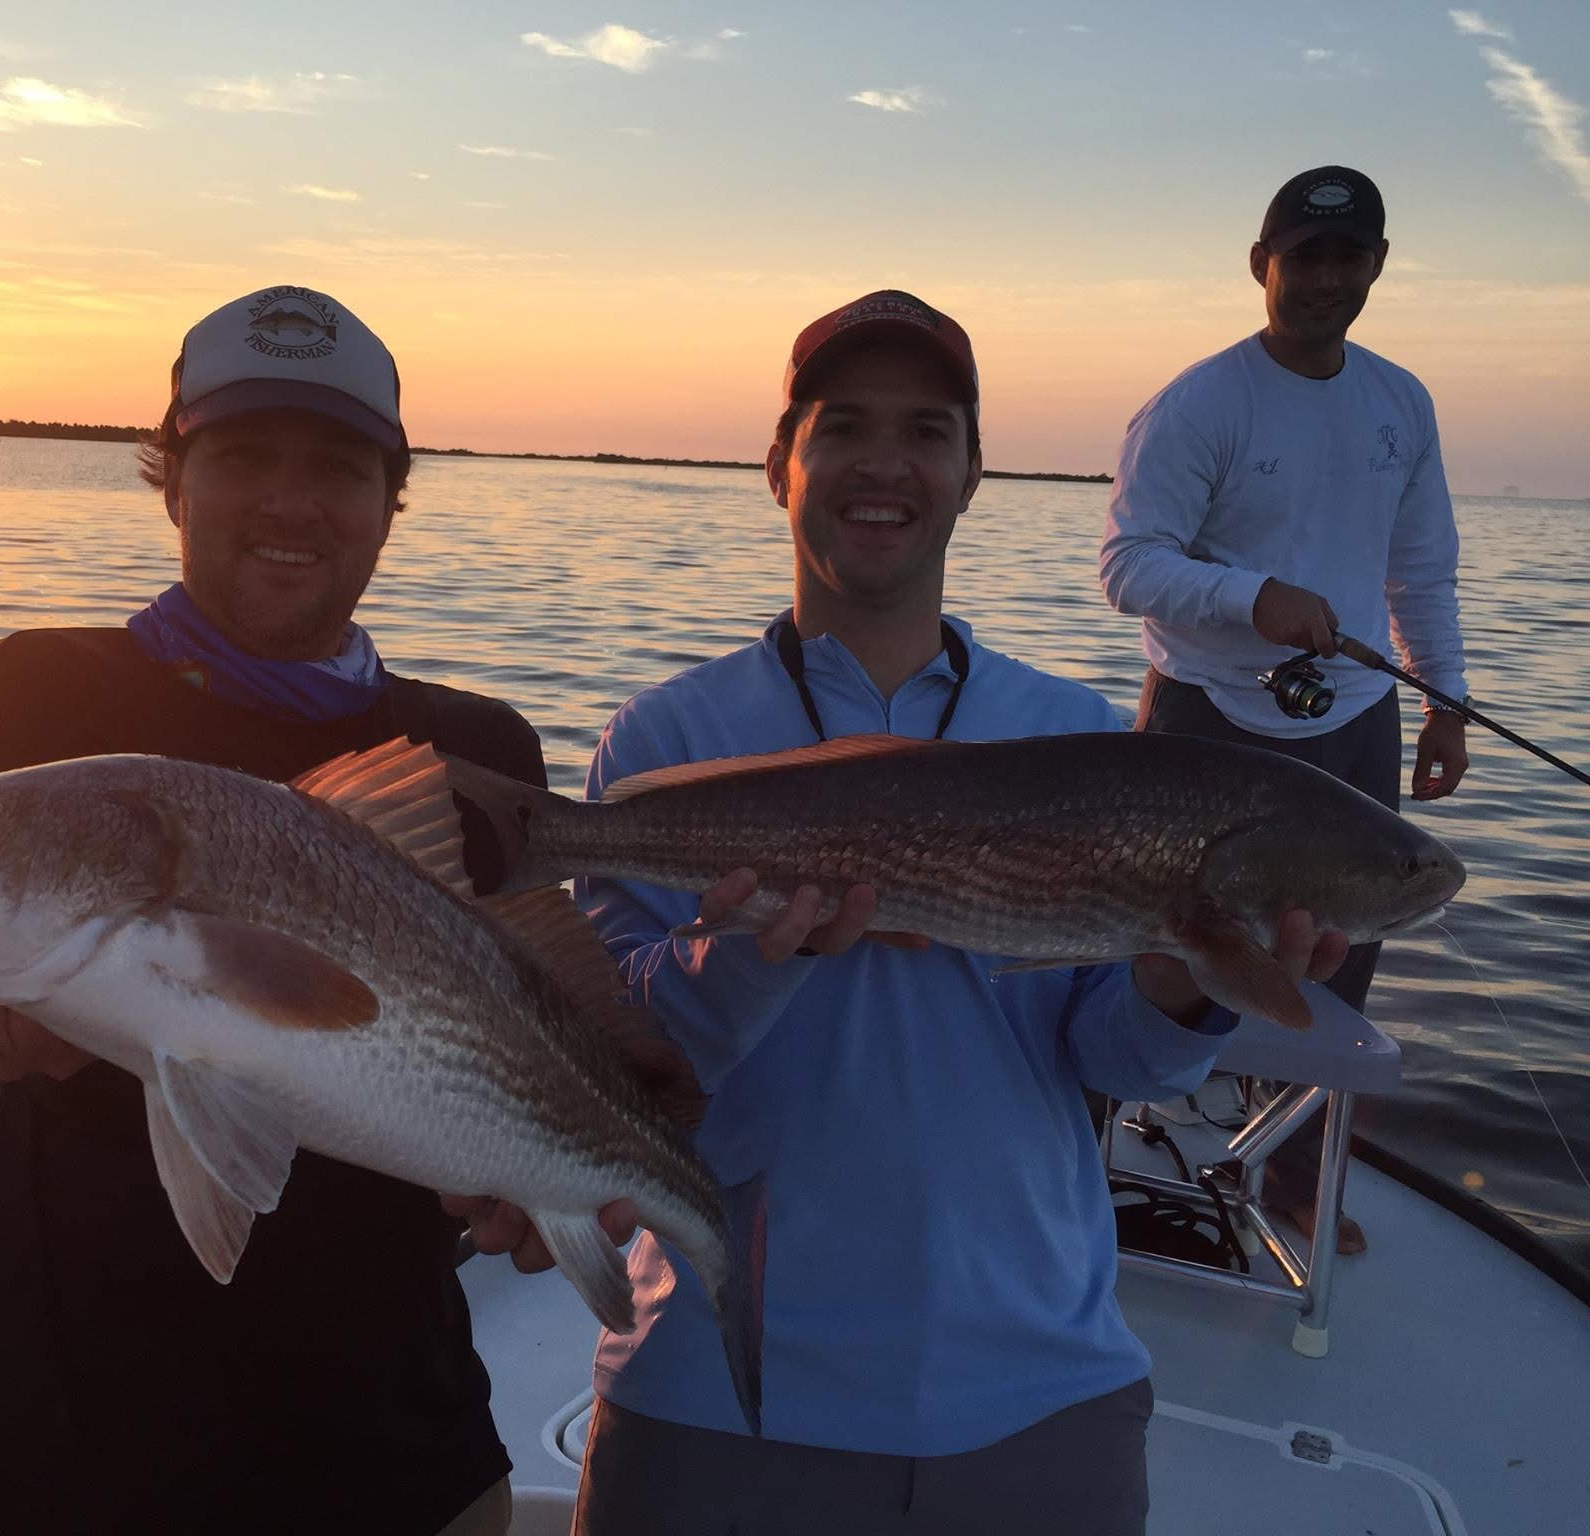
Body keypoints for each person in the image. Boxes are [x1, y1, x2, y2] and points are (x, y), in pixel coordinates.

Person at [547, 291, 1347, 1535]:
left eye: (926, 431)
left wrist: (1193, 972)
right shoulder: (665, 743)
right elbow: (617, 1056)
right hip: (716, 1391)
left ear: (972, 474)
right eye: (843, 426)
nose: (884, 464)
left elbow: (1107, 1054)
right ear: (779, 464)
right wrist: (746, 957)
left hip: (1036, 1394)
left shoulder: (1076, 733)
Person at [0, 285, 542, 1536]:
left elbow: (538, 1034)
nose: (291, 504)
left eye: (340, 466)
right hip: (51, 1465)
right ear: (170, 476)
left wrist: (526, 1178)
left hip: (398, 1460)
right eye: (243, 456)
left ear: (390, 499)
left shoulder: (476, 751)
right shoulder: (33, 702)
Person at [1099, 166, 1470, 1252]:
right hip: (1202, 714)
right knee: (1139, 944)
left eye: (1344, 257)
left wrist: (1443, 702)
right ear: (1260, 264)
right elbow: (1127, 565)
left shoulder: (1400, 402)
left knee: (1339, 960)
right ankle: (1083, 1140)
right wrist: (1250, 598)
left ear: (1374, 267)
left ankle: (1300, 1173)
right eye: (1300, 257)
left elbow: (1421, 569)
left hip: (1352, 719)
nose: (1321, 278)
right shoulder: (1199, 402)